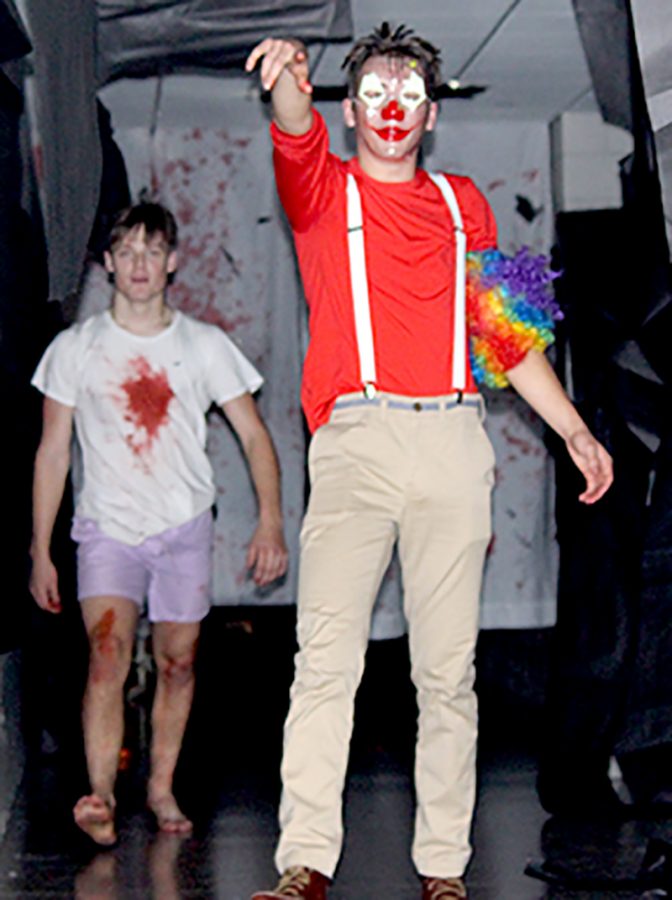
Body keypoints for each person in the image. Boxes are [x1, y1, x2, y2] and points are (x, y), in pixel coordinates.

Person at [245, 22, 613, 900]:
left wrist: (573, 429)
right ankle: (306, 863)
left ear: (431, 112)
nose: (391, 108)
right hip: (355, 444)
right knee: (326, 658)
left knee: (447, 673)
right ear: (353, 110)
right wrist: (289, 78)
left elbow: (505, 337)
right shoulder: (322, 193)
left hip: (454, 441)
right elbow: (294, 121)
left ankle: (443, 867)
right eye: (372, 92)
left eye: (406, 94)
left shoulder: (465, 204)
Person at [29, 201, 288, 846]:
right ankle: (100, 794)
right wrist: (40, 549)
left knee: (177, 663)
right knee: (107, 653)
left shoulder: (204, 346)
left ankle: (162, 786)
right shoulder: (76, 348)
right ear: (109, 263)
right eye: (127, 252)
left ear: (172, 262)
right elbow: (53, 451)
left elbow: (255, 436)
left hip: (182, 526)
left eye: (153, 251)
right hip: (108, 527)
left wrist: (272, 523)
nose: (140, 264)